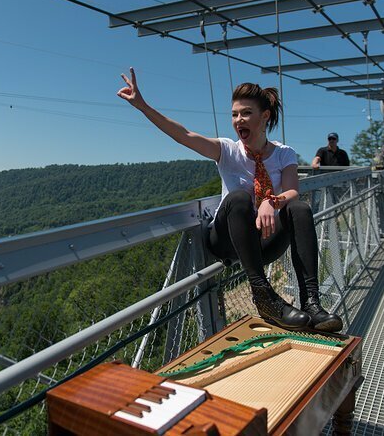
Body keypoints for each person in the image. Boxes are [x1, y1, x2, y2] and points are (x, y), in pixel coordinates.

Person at [117, 67, 343, 332]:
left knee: (299, 208)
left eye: (246, 113)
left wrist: (272, 201)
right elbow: (184, 135)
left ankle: (312, 302)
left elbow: (293, 190)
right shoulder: (227, 150)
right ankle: (263, 295)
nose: (238, 120)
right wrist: (143, 107)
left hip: (262, 242)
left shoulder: (283, 153)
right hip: (225, 240)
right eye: (235, 114)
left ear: (265, 116)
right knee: (239, 199)